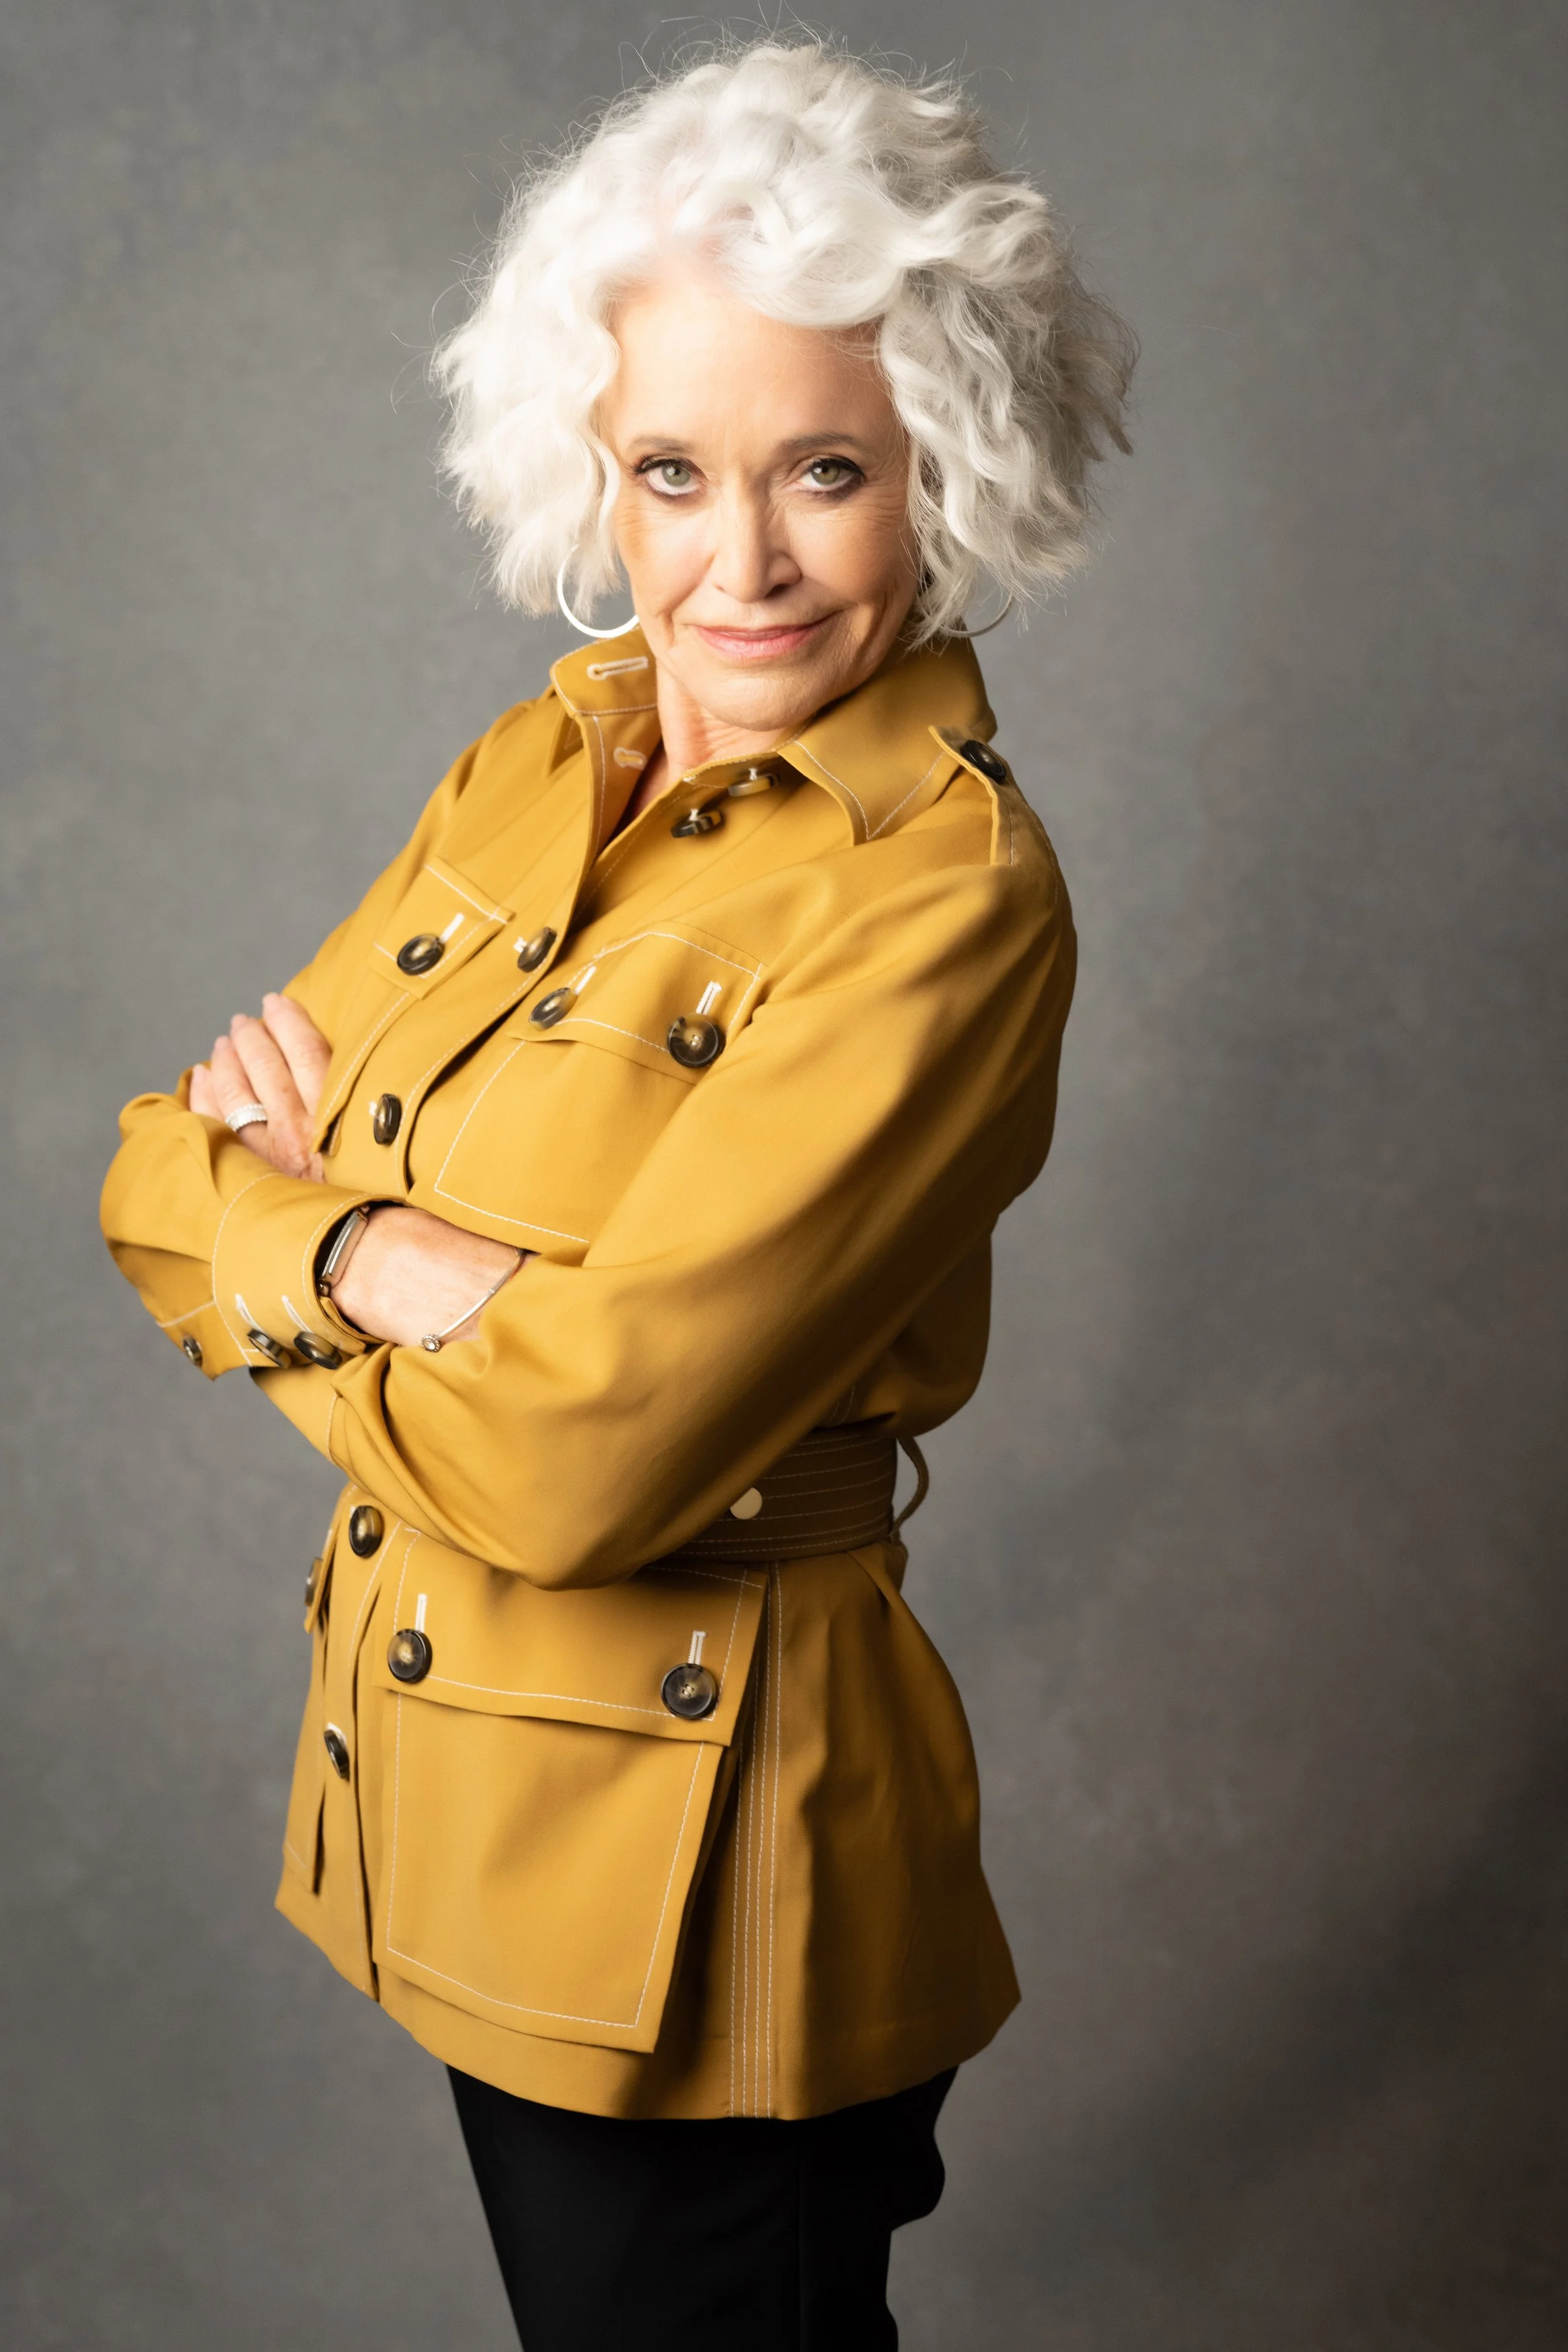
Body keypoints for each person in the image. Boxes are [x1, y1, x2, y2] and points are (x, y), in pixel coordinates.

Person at [100, 37, 1133, 2350]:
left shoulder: (940, 902)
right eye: (671, 469)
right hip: (466, 1802)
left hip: (702, 1861)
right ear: (594, 465)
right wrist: (381, 1249)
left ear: (944, 472)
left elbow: (573, 1461)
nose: (735, 561)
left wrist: (315, 1219)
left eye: (826, 474)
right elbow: (161, 1172)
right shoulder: (538, 754)